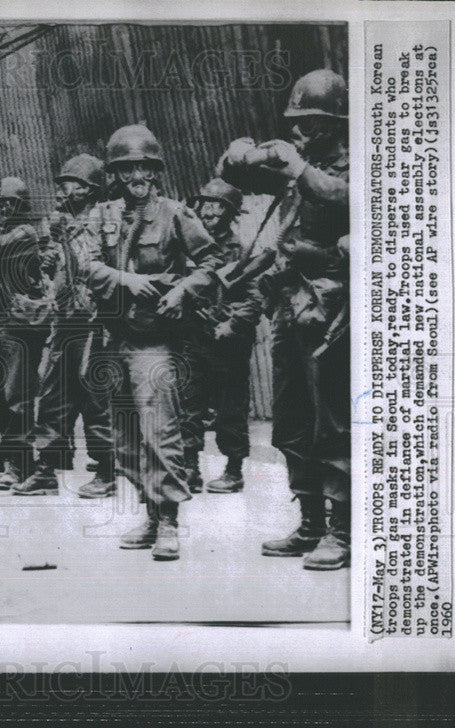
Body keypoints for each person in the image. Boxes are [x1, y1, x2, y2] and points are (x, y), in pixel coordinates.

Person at [219, 68, 350, 570]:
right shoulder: (305, 161)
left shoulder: (346, 165)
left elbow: (345, 198)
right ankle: (311, 524)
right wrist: (241, 151)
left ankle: (342, 532)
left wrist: (296, 164)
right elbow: (234, 175)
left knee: (332, 420)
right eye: (301, 121)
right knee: (292, 417)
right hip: (290, 300)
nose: (305, 130)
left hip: (331, 301)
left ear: (336, 123)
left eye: (315, 122)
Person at [82, 125, 223, 561]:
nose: (135, 177)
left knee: (160, 433)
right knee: (124, 440)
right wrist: (127, 278)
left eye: (143, 167)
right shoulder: (100, 215)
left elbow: (213, 262)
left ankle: (169, 522)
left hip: (154, 343)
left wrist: (183, 290)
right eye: (126, 169)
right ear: (116, 174)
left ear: (155, 170)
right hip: (113, 340)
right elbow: (83, 264)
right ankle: (148, 512)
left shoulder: (175, 214)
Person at [14, 154, 116, 498]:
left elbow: (94, 268)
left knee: (95, 396)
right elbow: (55, 273)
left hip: (93, 322)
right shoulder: (57, 225)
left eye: (69, 184)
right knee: (53, 395)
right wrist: (48, 259)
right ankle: (46, 469)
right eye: (60, 185)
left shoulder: (104, 221)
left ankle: (106, 468)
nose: (61, 191)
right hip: (64, 320)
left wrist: (67, 244)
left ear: (89, 189)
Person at [180, 177, 261, 494]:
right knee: (188, 405)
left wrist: (231, 322)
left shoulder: (241, 250)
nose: (209, 211)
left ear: (230, 212)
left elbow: (255, 300)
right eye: (205, 204)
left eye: (217, 206)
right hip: (193, 337)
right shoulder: (190, 245)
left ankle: (233, 470)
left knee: (231, 408)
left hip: (228, 343)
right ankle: (189, 468)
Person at [0, 177, 50, 490]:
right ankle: (7, 460)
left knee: (18, 396)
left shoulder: (25, 232)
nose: (2, 209)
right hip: (2, 323)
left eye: (8, 203)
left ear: (20, 205)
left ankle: (21, 465)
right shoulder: (3, 231)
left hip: (23, 326)